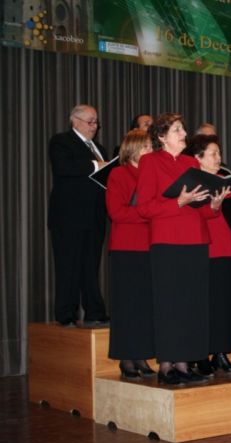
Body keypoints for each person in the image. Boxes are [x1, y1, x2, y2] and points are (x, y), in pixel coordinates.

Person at [136, 113, 229, 385]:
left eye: (183, 129)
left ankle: (185, 364)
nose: (183, 134)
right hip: (168, 243)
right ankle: (167, 366)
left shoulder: (191, 162)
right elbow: (144, 208)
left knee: (193, 306)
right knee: (170, 306)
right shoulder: (149, 161)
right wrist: (178, 201)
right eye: (177, 130)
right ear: (161, 136)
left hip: (197, 242)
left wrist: (214, 205)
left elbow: (203, 210)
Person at [48, 104, 110, 326]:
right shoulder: (61, 141)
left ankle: (95, 312)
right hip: (69, 216)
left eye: (96, 122)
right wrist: (97, 165)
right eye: (90, 121)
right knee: (68, 266)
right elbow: (64, 168)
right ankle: (66, 314)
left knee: (90, 266)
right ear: (75, 120)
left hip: (94, 215)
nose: (94, 126)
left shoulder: (99, 147)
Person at [187, 134, 231, 375]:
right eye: (213, 154)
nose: (218, 158)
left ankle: (221, 353)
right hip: (204, 249)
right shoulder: (192, 182)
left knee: (224, 305)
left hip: (227, 248)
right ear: (198, 158)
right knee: (205, 306)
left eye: (219, 153)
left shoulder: (224, 180)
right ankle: (201, 355)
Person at [106, 129, 156, 379]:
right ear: (133, 148)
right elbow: (117, 213)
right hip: (126, 248)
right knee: (127, 306)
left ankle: (142, 355)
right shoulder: (118, 173)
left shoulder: (153, 175)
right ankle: (126, 357)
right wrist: (148, 212)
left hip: (151, 246)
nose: (151, 150)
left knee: (146, 305)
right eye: (146, 146)